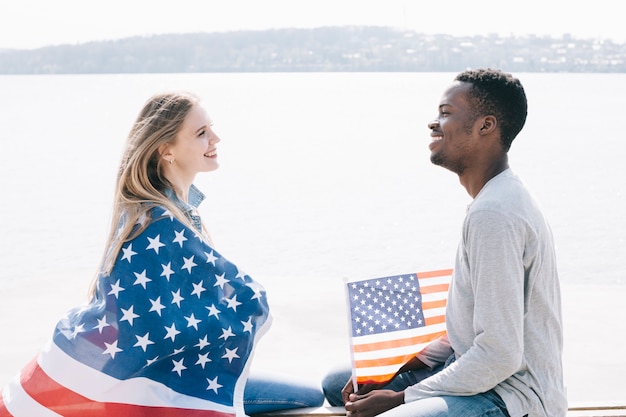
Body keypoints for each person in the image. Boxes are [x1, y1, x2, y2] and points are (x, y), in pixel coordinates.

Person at [0, 91, 323, 416]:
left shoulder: (154, 211)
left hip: (167, 368)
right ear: (166, 150)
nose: (216, 138)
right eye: (201, 133)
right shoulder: (162, 224)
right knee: (312, 396)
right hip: (162, 380)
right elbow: (245, 298)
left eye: (211, 128)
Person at [322, 69, 567, 417]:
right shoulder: (493, 199)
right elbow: (468, 332)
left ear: (486, 126)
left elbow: (500, 355)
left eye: (446, 113)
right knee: (342, 383)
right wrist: (406, 363)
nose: (433, 123)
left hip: (513, 395)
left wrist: (402, 398)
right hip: (476, 369)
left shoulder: (496, 214)